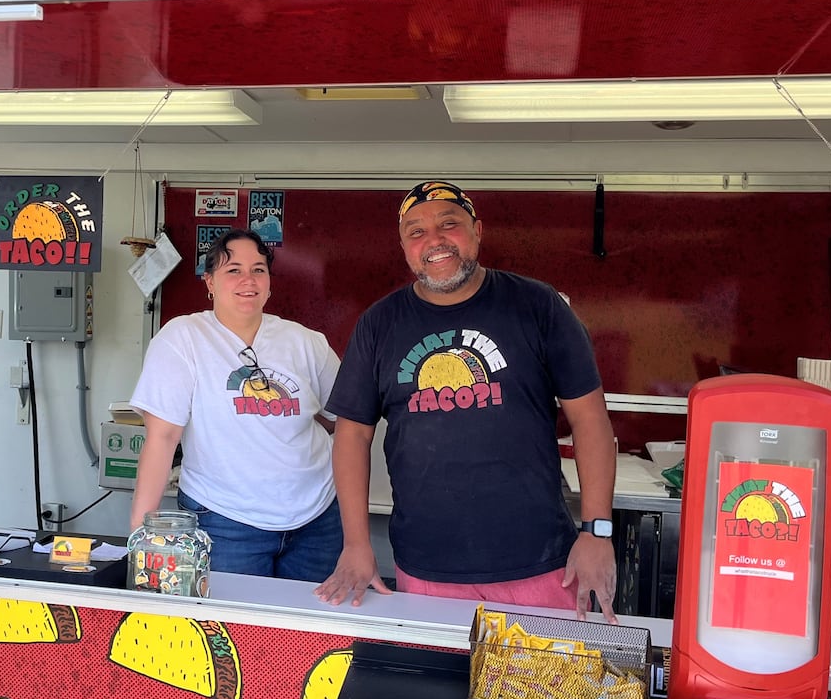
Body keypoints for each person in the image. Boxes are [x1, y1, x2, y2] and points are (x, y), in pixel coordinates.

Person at [316, 181, 617, 617]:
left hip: (540, 562)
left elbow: (589, 419)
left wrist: (597, 531)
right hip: (427, 567)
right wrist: (357, 544)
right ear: (404, 248)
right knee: (439, 685)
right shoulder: (379, 324)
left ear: (477, 230)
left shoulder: (537, 305)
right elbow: (351, 435)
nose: (433, 240)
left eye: (449, 224)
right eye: (416, 232)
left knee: (544, 687)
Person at [129, 229, 344, 580]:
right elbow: (163, 437)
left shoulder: (306, 342)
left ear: (270, 283)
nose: (248, 280)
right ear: (209, 281)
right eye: (234, 270)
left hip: (316, 520)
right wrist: (141, 534)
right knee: (232, 630)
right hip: (224, 521)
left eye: (259, 269)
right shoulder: (183, 337)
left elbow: (342, 420)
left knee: (309, 630)